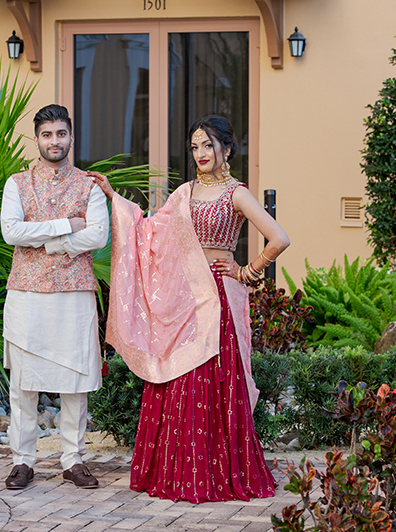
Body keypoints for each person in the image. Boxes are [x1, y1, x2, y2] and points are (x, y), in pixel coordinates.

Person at [90, 115, 290, 503]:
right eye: (195, 146)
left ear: (227, 149)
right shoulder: (184, 193)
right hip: (184, 298)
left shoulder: (237, 193)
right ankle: (177, 474)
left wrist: (247, 270)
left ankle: (214, 475)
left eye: (208, 145)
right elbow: (149, 231)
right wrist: (115, 198)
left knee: (212, 382)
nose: (200, 153)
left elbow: (279, 237)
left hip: (218, 297)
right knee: (179, 378)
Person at [0, 104, 109, 490]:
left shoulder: (90, 184)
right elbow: (12, 232)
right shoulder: (16, 183)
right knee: (25, 381)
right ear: (37, 139)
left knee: (75, 379)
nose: (54, 141)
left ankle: (72, 459)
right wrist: (66, 227)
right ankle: (23, 460)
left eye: (61, 134)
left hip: (74, 293)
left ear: (71, 137)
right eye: (47, 135)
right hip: (27, 292)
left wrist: (48, 244)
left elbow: (98, 236)